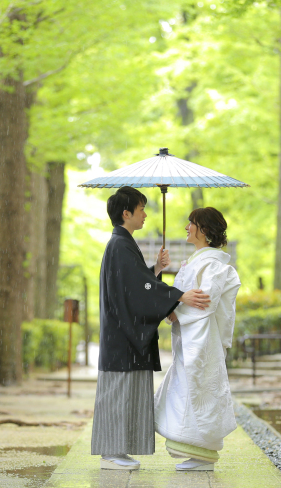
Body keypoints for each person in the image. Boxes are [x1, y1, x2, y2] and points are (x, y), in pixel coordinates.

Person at [91, 186, 212, 471]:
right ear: (126, 213)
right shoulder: (120, 244)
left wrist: (156, 268)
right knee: (118, 392)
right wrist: (178, 295)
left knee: (125, 392)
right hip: (122, 334)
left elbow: (137, 283)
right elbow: (137, 288)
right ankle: (110, 452)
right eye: (142, 209)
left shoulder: (123, 243)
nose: (145, 215)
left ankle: (117, 449)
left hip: (123, 332)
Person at [154, 207, 241, 472]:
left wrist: (175, 310)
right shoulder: (198, 261)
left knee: (201, 390)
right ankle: (196, 453)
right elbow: (186, 297)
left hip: (203, 340)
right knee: (187, 389)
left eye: (191, 223)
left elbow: (205, 301)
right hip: (190, 338)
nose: (186, 228)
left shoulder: (213, 265)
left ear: (204, 229)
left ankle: (203, 455)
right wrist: (172, 307)